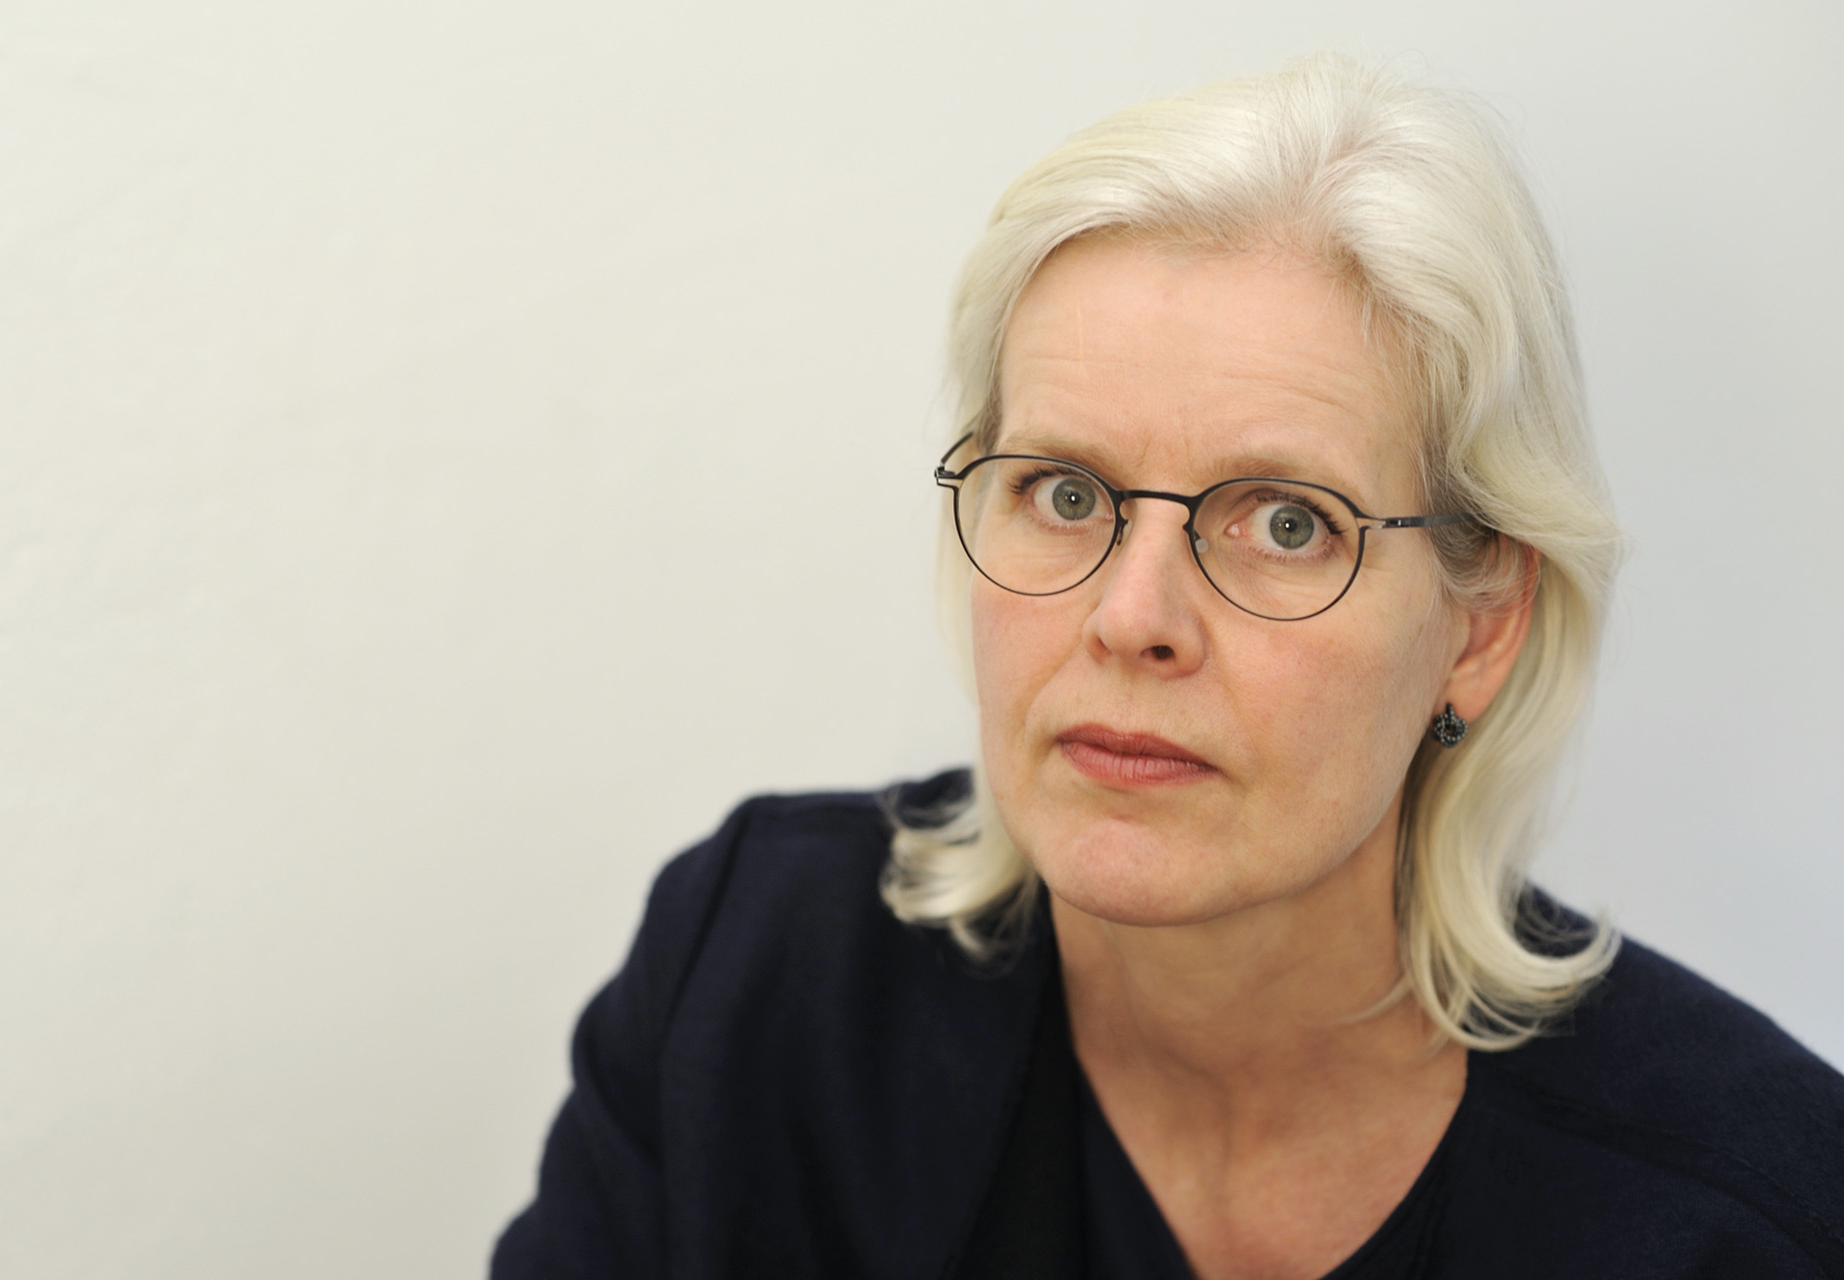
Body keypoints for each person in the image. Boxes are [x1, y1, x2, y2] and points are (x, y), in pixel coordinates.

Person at [493, 55, 1844, 1279]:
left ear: (1479, 627)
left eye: (1288, 523)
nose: (1131, 618)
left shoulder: (1747, 1217)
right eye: (1066, 493)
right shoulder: (754, 985)